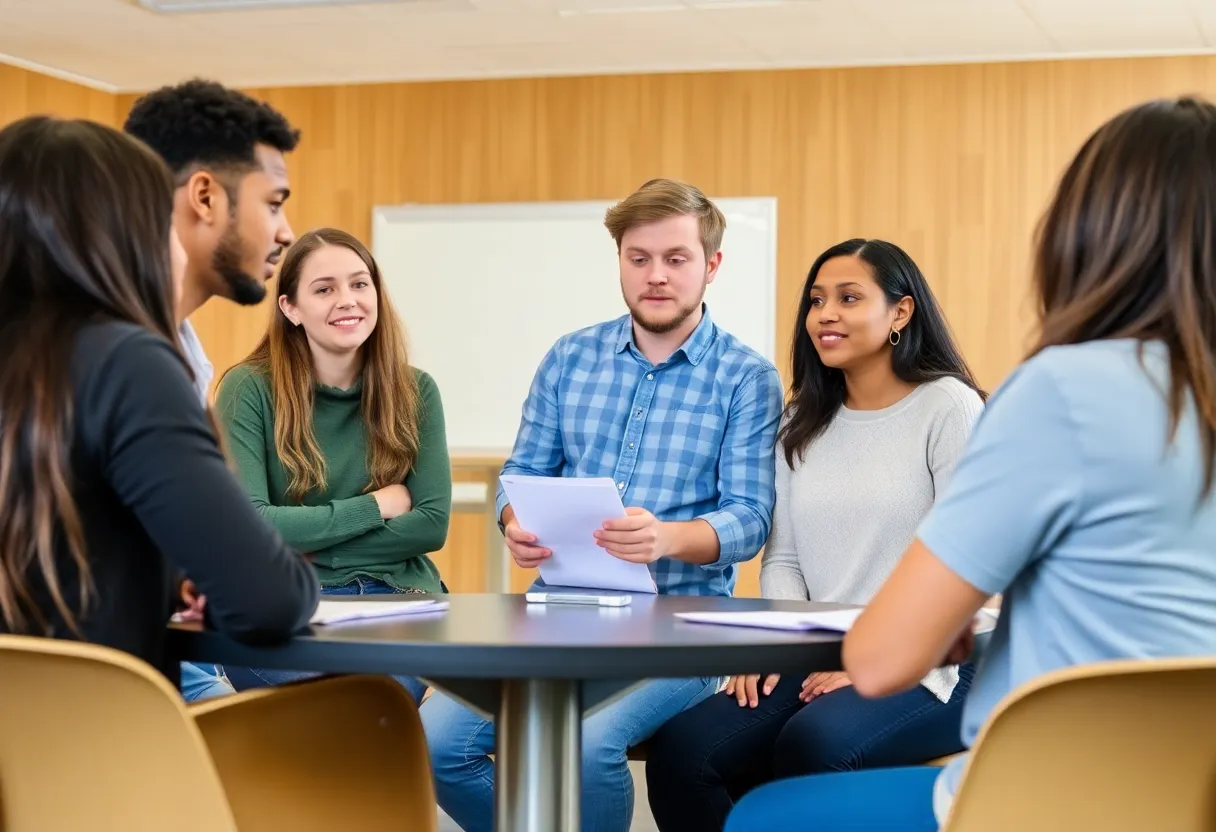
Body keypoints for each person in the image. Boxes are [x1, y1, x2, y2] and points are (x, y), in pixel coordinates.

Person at [724, 96, 1216, 832]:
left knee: (768, 815)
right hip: (1181, 800)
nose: (825, 313)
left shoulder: (1061, 390)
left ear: (1090, 232)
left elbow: (887, 657)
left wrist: (937, 615)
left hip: (1033, 803)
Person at [420, 177, 786, 832]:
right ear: (619, 259)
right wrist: (514, 522)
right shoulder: (570, 358)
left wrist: (667, 539)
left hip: (685, 629)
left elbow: (750, 518)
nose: (655, 276)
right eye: (638, 258)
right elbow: (523, 470)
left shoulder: (748, 378)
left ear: (712, 265)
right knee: (437, 743)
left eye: (676, 259)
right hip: (560, 612)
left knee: (591, 747)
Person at [645, 238, 984, 830]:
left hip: (939, 658)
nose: (826, 314)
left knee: (812, 744)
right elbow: (786, 559)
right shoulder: (800, 422)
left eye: (849, 298)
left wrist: (881, 662)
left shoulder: (947, 408)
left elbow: (970, 561)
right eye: (817, 300)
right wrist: (778, 651)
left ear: (901, 312)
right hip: (823, 648)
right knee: (684, 752)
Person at [0, 115, 318, 679]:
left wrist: (170, 574)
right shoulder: (125, 362)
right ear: (120, 234)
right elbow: (271, 599)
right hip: (104, 748)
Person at [216, 228, 450, 705]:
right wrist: (375, 505)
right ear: (291, 308)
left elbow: (430, 524)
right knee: (342, 716)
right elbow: (248, 525)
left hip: (397, 600)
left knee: (370, 710)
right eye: (324, 289)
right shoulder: (247, 389)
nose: (348, 300)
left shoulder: (417, 391)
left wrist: (306, 542)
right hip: (284, 600)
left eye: (360, 284)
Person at [123, 77, 301, 702]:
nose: (285, 232)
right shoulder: (136, 363)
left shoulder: (182, 352)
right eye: (274, 203)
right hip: (123, 692)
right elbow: (268, 592)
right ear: (204, 195)